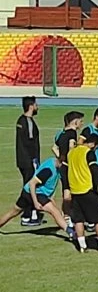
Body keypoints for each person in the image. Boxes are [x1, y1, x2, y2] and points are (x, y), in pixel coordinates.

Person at [0, 155, 73, 239]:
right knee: (54, 211)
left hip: (28, 192)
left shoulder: (54, 162)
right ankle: (71, 232)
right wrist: (35, 203)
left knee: (13, 212)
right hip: (35, 193)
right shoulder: (48, 170)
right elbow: (32, 183)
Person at [68, 135, 98, 253]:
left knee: (78, 220)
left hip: (75, 190)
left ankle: (82, 246)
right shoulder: (88, 153)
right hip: (87, 189)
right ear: (93, 144)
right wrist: (96, 187)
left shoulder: (71, 153)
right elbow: (94, 170)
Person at [54, 111, 84, 225]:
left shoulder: (61, 134)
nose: (82, 124)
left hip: (63, 166)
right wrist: (71, 160)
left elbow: (54, 148)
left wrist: (61, 158)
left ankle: (66, 215)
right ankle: (68, 216)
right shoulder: (72, 133)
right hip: (69, 166)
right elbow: (71, 147)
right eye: (81, 121)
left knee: (65, 189)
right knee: (69, 192)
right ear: (75, 122)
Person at [15, 96, 41, 226]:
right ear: (31, 106)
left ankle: (30, 213)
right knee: (30, 187)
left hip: (22, 160)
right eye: (36, 105)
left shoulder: (21, 120)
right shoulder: (28, 122)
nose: (37, 107)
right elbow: (30, 144)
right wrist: (34, 160)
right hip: (28, 161)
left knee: (28, 185)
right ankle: (27, 214)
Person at [80, 107, 98, 195]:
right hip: (92, 162)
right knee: (91, 186)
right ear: (96, 117)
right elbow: (80, 143)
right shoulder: (88, 130)